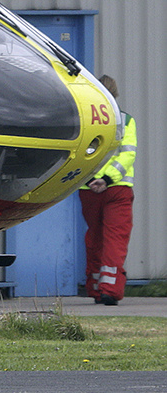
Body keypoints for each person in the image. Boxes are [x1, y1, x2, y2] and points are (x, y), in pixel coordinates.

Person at [79, 75, 135, 305]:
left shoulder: (83, 119)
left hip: (88, 189)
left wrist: (93, 178)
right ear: (116, 94)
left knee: (95, 237)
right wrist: (108, 179)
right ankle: (109, 290)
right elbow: (128, 154)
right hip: (118, 189)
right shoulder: (125, 120)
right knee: (115, 238)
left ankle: (93, 286)